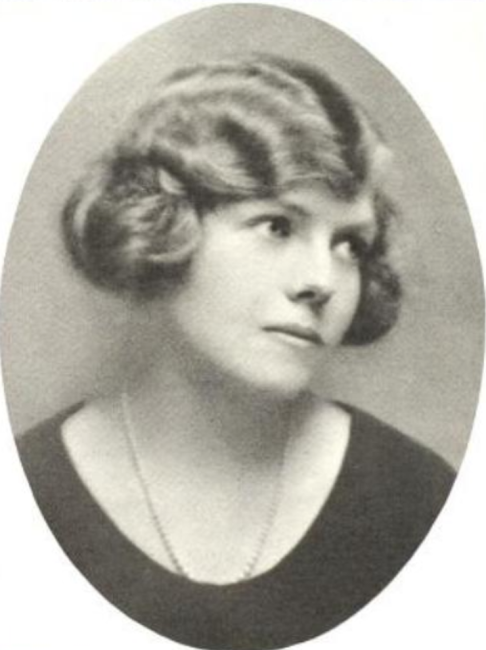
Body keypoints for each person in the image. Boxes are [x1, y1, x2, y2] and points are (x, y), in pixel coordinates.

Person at [17, 56, 455, 650]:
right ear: (163, 226)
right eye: (277, 226)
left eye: (350, 244)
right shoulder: (28, 490)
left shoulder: (415, 498)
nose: (322, 280)